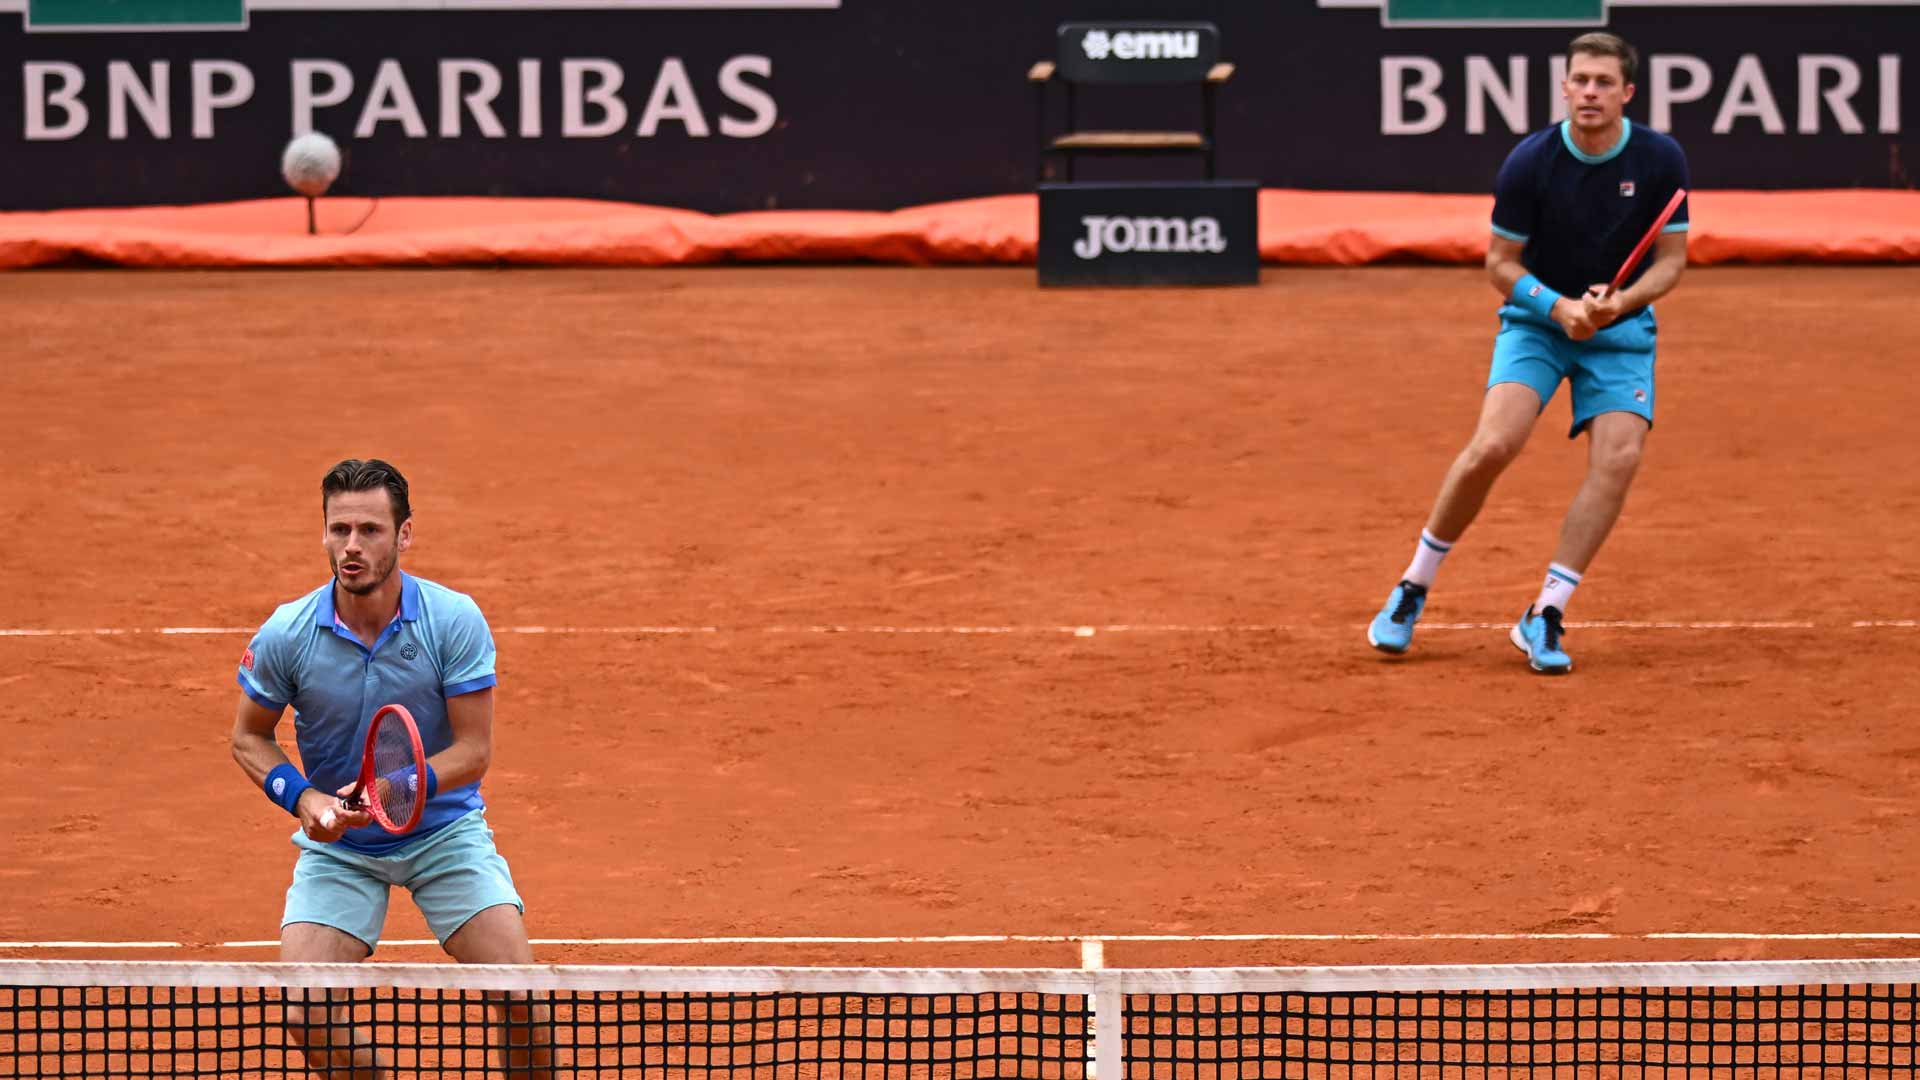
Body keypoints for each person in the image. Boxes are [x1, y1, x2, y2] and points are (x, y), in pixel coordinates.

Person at [1367, 31, 1689, 675]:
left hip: (1617, 331)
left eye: (1603, 82)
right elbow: (1500, 262)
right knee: (1492, 446)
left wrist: (1615, 304)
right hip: (1537, 323)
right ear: (1565, 87)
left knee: (1620, 457)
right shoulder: (1529, 162)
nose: (1590, 92)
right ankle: (1413, 587)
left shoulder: (1660, 159)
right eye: (1580, 81)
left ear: (1626, 93)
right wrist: (1560, 307)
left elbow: (1671, 262)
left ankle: (1545, 611)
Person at [230, 458, 547, 1078]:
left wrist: (392, 790)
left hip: (444, 836)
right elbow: (248, 736)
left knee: (523, 1001)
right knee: (306, 1015)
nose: (352, 546)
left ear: (403, 535)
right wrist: (305, 799)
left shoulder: (451, 621)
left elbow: (473, 752)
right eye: (339, 528)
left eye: (370, 530)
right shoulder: (287, 633)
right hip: (341, 850)